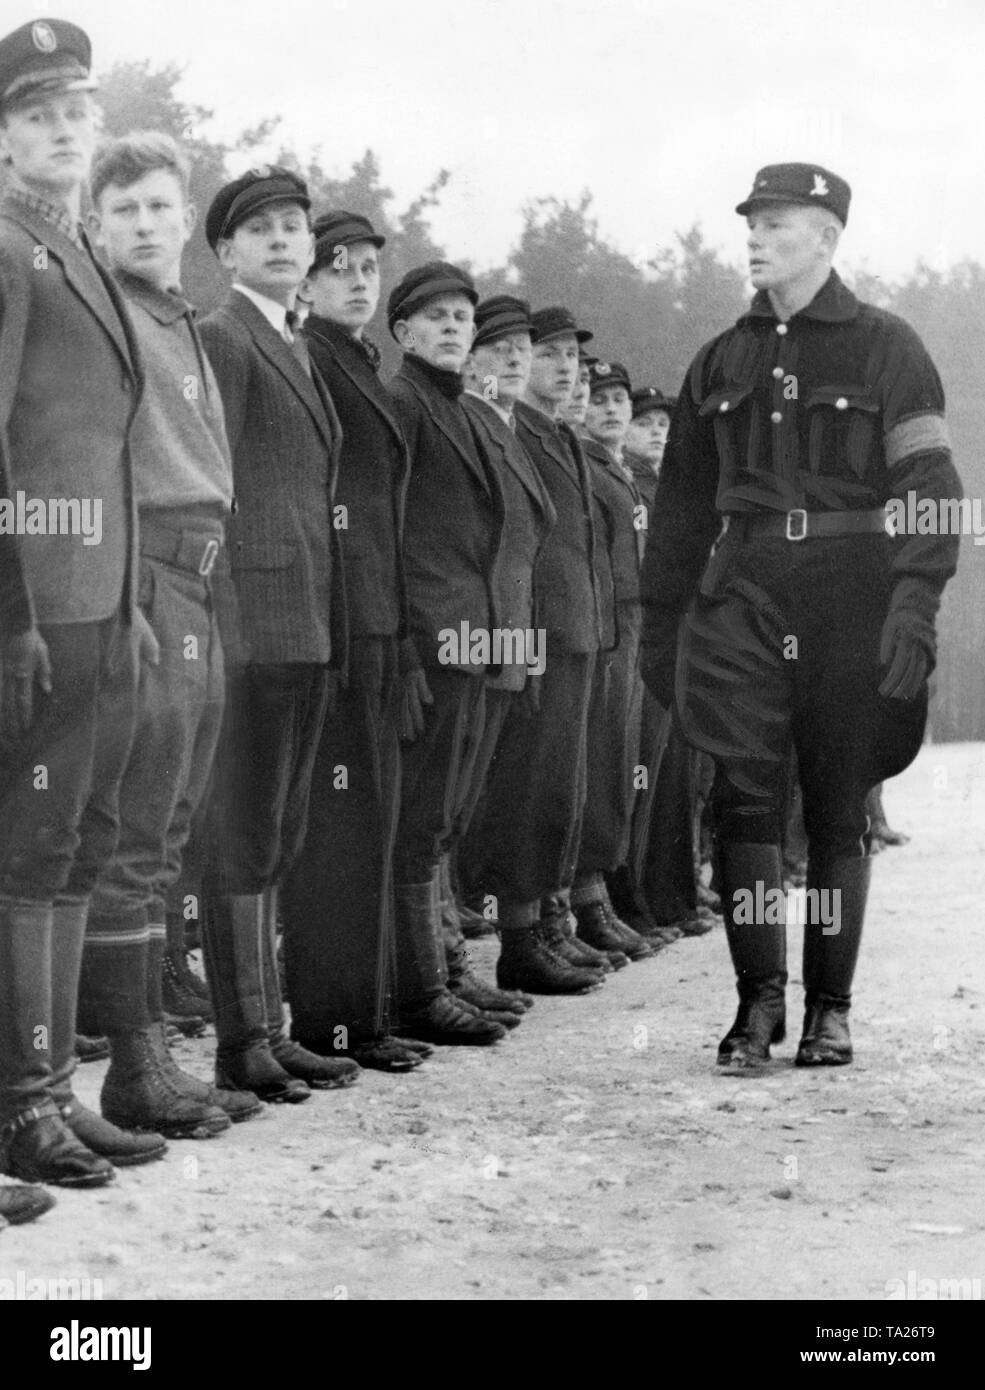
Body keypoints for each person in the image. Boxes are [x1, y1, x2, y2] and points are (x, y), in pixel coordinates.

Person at [640, 163, 962, 1070]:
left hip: (850, 591)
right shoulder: (719, 360)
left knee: (835, 798)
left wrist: (915, 601)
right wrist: (661, 623)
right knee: (742, 797)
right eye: (750, 221)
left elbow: (931, 487)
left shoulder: (886, 347)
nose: (754, 236)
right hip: (741, 590)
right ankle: (756, 1007)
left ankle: (829, 1009)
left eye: (777, 223)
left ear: (825, 237)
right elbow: (678, 509)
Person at [0, 17, 160, 1189]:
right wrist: (10, 612)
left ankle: (49, 1091)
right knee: (26, 851)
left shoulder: (82, 253)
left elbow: (111, 448)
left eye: (77, 111)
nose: (64, 128)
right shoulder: (8, 250)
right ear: (5, 135)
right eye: (38, 111)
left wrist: (134, 596)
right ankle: (21, 1104)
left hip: (99, 596)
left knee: (67, 849)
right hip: (33, 601)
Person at [80, 132, 260, 1137]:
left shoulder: (180, 320)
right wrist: (124, 591)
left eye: (158, 206)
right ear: (97, 229)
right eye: (124, 212)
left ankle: (150, 1053)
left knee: (176, 822)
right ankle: (134, 1066)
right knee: (136, 828)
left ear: (184, 215)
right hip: (143, 571)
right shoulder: (103, 315)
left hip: (202, 572)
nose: (145, 225)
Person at [198, 167, 359, 1099]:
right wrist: (222, 630)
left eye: (294, 226)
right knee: (241, 827)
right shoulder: (222, 339)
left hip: (303, 619)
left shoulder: (294, 344)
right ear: (226, 251)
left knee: (278, 828)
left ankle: (271, 1031)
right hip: (252, 626)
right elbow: (212, 482)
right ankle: (240, 1042)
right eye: (259, 229)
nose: (282, 240)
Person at [279, 210, 429, 1073]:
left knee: (370, 819)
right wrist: (345, 628)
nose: (358, 281)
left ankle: (362, 1015)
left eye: (369, 267)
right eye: (338, 268)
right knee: (336, 826)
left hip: (378, 618)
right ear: (306, 281)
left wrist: (398, 631)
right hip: (336, 620)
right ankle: (331, 1022)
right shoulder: (315, 362)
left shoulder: (356, 362)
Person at [386, 262, 511, 1045]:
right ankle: (419, 987)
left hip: (472, 635)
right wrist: (407, 637)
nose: (452, 328)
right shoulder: (403, 404)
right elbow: (389, 530)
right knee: (417, 817)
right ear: (401, 332)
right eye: (433, 317)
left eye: (461, 316)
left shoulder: (458, 407)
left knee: (441, 818)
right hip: (430, 638)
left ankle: (445, 968)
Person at [472, 306, 611, 993]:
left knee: (563, 788)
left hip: (577, 627)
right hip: (542, 631)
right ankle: (521, 938)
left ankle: (552, 921)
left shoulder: (557, 432)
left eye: (570, 358)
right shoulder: (516, 431)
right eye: (549, 354)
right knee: (528, 790)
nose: (562, 368)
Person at [571, 360, 653, 962]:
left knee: (622, 761)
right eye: (597, 398)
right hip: (602, 622)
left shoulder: (614, 467)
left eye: (618, 398)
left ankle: (603, 895)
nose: (609, 409)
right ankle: (585, 900)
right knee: (597, 759)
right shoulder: (582, 460)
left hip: (631, 617)